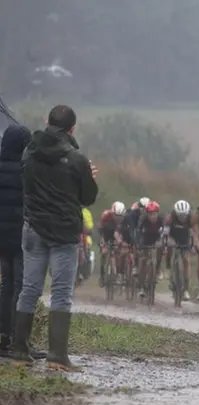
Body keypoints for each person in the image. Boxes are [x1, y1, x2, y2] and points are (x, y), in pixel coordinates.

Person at [13, 105, 98, 371]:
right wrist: (90, 178)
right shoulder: (77, 160)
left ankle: (19, 351)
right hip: (63, 233)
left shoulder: (29, 152)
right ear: (72, 129)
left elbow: (24, 184)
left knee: (29, 289)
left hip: (34, 228)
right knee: (61, 292)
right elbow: (87, 198)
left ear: (47, 122)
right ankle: (57, 356)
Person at [0, 124, 38, 359]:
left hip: (1, 238)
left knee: (6, 284)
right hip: (20, 235)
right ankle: (18, 339)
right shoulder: (27, 169)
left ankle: (2, 335)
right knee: (21, 286)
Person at [163, 200, 193, 301]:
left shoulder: (191, 218)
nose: (182, 217)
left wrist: (193, 245)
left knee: (186, 260)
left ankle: (186, 288)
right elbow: (165, 234)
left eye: (184, 215)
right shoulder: (169, 218)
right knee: (170, 248)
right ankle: (168, 266)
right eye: (180, 215)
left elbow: (195, 232)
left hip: (185, 238)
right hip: (173, 236)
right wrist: (166, 245)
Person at [136, 201, 165, 298]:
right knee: (143, 260)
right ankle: (141, 286)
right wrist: (139, 244)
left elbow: (164, 233)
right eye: (150, 214)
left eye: (155, 214)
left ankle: (157, 269)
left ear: (157, 213)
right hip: (145, 238)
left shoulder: (161, 219)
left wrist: (162, 243)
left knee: (160, 250)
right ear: (147, 214)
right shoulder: (143, 219)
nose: (153, 216)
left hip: (156, 238)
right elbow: (138, 232)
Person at [98, 201, 127, 287]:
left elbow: (123, 233)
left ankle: (119, 273)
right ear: (112, 212)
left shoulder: (125, 219)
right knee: (103, 253)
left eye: (120, 216)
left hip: (117, 235)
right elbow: (101, 229)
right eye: (116, 215)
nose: (118, 218)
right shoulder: (106, 215)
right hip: (106, 234)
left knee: (120, 253)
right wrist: (103, 242)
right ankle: (102, 276)